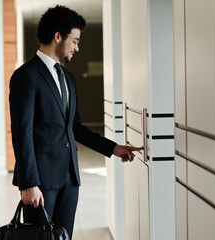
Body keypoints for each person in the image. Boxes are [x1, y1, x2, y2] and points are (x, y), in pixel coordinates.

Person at [9, 5, 141, 238]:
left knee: (64, 236)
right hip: (41, 182)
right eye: (75, 40)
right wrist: (28, 183)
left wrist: (113, 148)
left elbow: (75, 128)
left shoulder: (68, 78)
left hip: (69, 179)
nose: (77, 48)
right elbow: (22, 133)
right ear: (58, 36)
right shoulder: (26, 76)